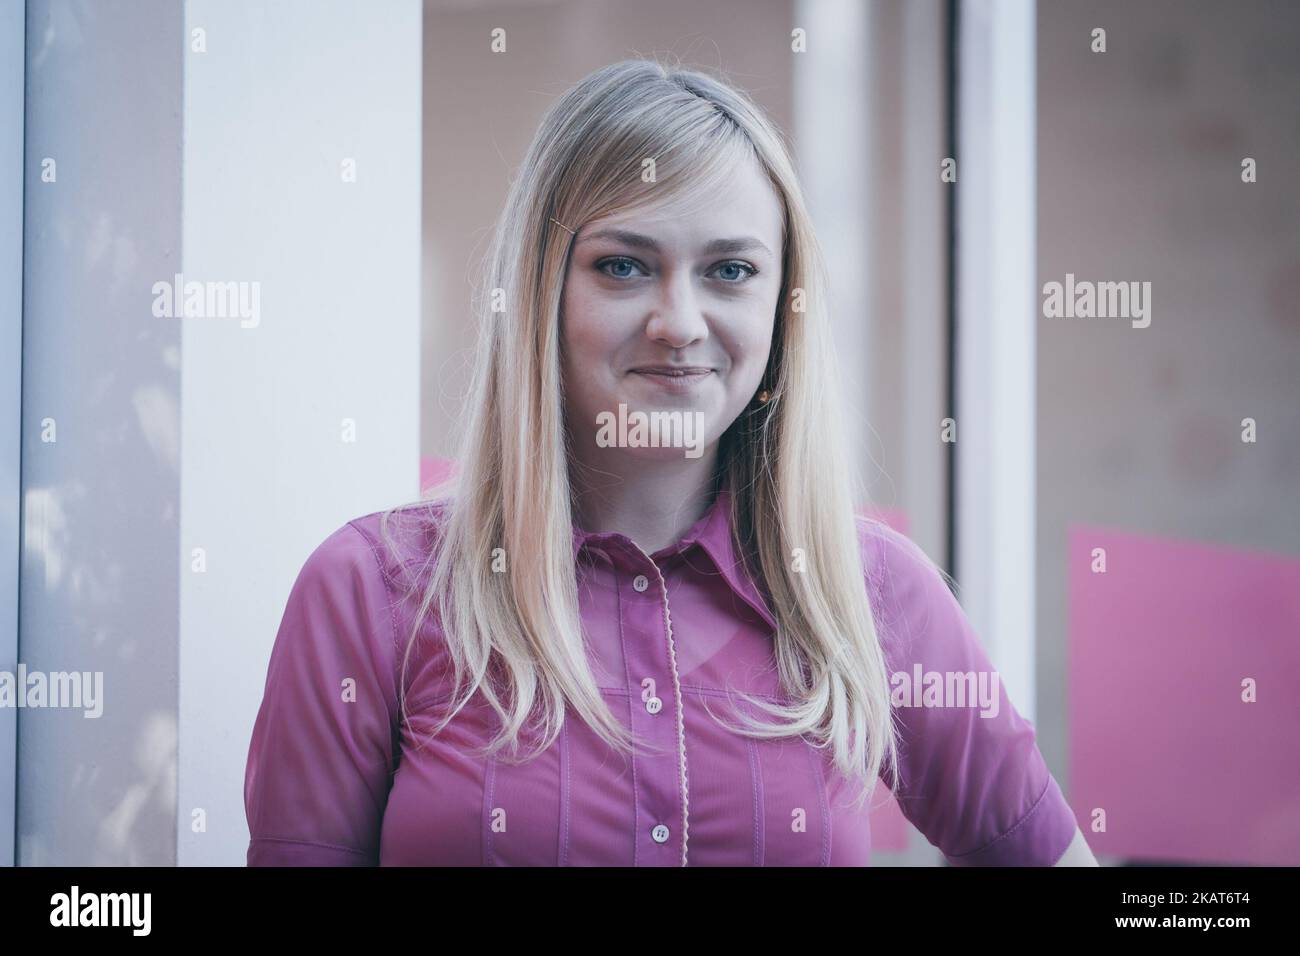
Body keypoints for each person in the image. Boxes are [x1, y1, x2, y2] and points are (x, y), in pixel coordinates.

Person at [243, 57, 1097, 867]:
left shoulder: (873, 593)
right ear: (543, 294)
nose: (680, 321)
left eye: (730, 270)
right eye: (623, 266)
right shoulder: (371, 592)